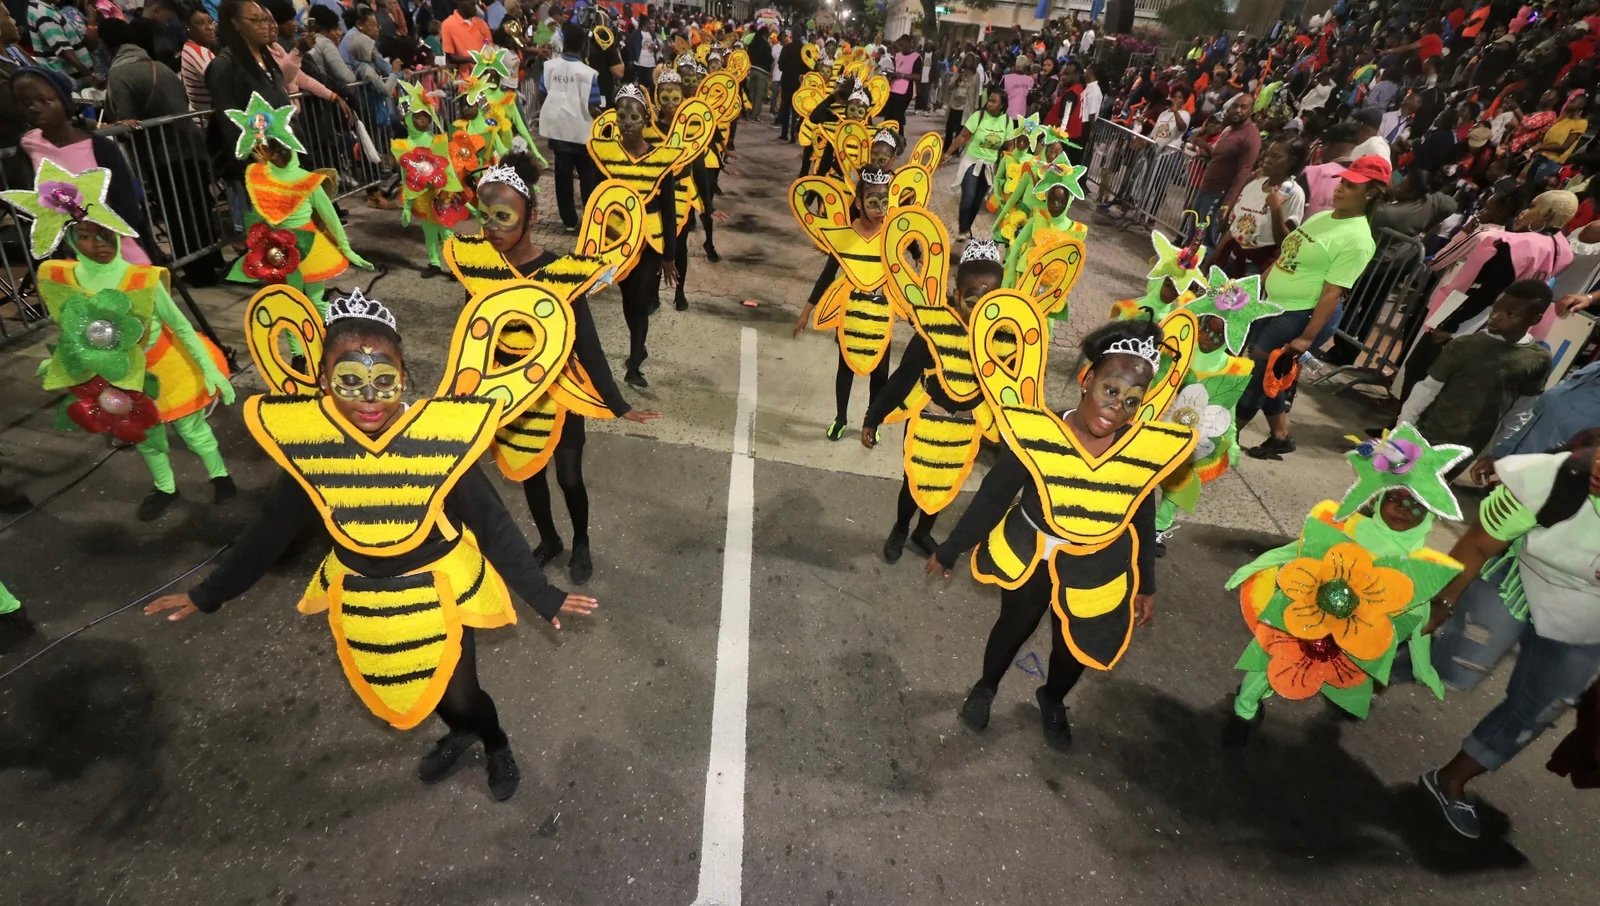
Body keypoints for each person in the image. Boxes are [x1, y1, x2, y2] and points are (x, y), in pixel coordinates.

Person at [144, 288, 600, 803]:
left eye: (384, 380)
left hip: (436, 587)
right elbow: (269, 532)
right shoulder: (314, 448)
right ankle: (460, 732)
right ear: (323, 381)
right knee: (420, 690)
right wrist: (207, 594)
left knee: (462, 692)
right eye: (350, 381)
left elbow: (493, 524)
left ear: (403, 379)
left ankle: (493, 741)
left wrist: (543, 595)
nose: (368, 397)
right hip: (363, 595)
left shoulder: (436, 438)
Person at [929, 317, 1193, 751]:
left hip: (1098, 564)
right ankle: (985, 687)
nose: (1117, 408)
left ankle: (1052, 698)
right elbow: (995, 495)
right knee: (1015, 623)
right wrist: (952, 548)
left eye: (1132, 401)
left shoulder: (1136, 451)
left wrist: (1146, 582)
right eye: (1111, 390)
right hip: (1030, 551)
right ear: (1086, 379)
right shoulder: (1039, 432)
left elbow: (1142, 516)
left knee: (1076, 645)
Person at [445, 153, 660, 584]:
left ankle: (580, 540)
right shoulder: (481, 271)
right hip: (509, 397)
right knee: (529, 474)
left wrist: (617, 405)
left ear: (532, 216)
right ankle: (549, 539)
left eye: (504, 217)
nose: (492, 229)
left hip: (559, 393)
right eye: (485, 217)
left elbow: (588, 343)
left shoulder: (556, 273)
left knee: (568, 476)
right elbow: (473, 341)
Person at [0, 161, 236, 521]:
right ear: (71, 241)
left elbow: (181, 327)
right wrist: (62, 362)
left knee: (193, 430)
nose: (100, 244)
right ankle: (165, 488)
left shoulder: (141, 279)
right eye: (87, 236)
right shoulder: (66, 280)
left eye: (104, 233)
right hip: (124, 377)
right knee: (146, 436)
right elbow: (74, 332)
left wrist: (211, 370)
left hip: (168, 366)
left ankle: (220, 475)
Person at [1417, 442, 1600, 839]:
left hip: (1585, 616)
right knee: (1450, 665)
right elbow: (1479, 543)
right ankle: (1362, 670)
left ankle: (1450, 780)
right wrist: (1442, 604)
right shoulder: (1546, 477)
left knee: (1541, 707)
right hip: (1515, 577)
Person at [863, 228, 1006, 563]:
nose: (981, 309)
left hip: (965, 428)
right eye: (973, 298)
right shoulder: (935, 332)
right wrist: (873, 417)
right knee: (914, 479)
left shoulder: (1001, 337)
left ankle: (923, 531)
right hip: (930, 419)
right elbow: (902, 378)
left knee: (946, 482)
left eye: (991, 300)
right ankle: (900, 528)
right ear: (956, 294)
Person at [1236, 155, 1386, 460]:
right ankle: (1281, 436)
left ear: (1370, 194)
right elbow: (1288, 253)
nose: (1341, 189)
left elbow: (1333, 292)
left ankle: (1224, 436)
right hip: (1273, 304)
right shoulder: (1323, 217)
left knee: (1257, 373)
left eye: (1351, 186)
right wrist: (1258, 288)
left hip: (1300, 315)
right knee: (1270, 373)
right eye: (1342, 182)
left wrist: (1306, 337)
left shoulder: (1358, 239)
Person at [792, 165, 896, 441]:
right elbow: (828, 274)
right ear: (859, 202)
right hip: (850, 312)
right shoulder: (846, 235)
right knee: (846, 367)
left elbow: (906, 272)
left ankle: (871, 422)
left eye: (885, 201)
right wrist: (806, 312)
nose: (880, 208)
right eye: (873, 202)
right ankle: (840, 418)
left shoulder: (893, 234)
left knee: (881, 371)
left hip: (882, 313)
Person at [1398, 281, 1554, 460]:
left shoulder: (1537, 360)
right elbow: (1427, 389)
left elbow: (1520, 411)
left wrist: (1496, 448)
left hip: (1469, 448)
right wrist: (1404, 427)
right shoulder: (1464, 345)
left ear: (1535, 319)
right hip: (1427, 434)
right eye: (1495, 309)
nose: (1496, 317)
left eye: (1510, 314)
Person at [541, 20, 601, 232]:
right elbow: (593, 104)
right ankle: (591, 217)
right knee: (587, 176)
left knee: (563, 178)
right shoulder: (588, 73)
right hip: (582, 133)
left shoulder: (549, 67)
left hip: (558, 132)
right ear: (583, 45)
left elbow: (542, 93)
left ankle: (568, 220)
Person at [1188, 92, 1259, 247]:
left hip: (1219, 194)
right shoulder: (1228, 130)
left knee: (1204, 241)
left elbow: (1244, 170)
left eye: (1243, 107)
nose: (1238, 110)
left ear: (1251, 111)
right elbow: (1218, 157)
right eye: (1235, 106)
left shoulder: (1251, 135)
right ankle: (1181, 269)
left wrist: (1228, 201)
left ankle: (1202, 270)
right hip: (1206, 188)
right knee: (1193, 234)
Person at [942, 85, 1010, 240]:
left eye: (994, 101)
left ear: (1002, 105)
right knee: (968, 197)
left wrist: (1008, 168)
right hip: (971, 162)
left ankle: (967, 227)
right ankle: (963, 230)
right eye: (989, 100)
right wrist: (948, 153)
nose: (989, 103)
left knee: (977, 202)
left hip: (989, 167)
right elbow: (963, 136)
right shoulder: (978, 116)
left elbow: (1008, 146)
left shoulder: (1006, 121)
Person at [26, 0, 99, 87]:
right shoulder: (42, 13)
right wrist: (89, 75)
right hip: (70, 78)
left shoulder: (44, 9)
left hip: (73, 76)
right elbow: (63, 50)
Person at [178, 2, 215, 109]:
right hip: (208, 121)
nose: (210, 27)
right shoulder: (199, 53)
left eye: (210, 22)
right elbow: (223, 84)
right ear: (188, 26)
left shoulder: (188, 47)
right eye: (200, 23)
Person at [940, 54, 980, 150]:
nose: (968, 62)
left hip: (966, 106)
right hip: (954, 105)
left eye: (970, 60)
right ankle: (946, 147)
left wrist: (976, 107)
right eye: (967, 60)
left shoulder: (976, 75)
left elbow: (977, 92)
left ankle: (954, 149)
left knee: (960, 130)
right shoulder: (959, 72)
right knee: (949, 128)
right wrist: (957, 79)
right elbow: (950, 86)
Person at [441, 0, 489, 72]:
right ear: (461, 2)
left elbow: (489, 47)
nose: (476, 8)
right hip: (464, 79)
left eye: (475, 4)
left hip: (486, 76)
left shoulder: (482, 23)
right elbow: (450, 57)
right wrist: (471, 59)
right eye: (472, 4)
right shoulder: (447, 25)